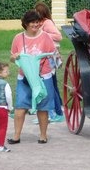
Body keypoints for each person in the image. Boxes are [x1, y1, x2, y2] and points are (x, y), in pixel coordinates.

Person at [8, 10, 56, 145]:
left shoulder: (46, 37)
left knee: (43, 107)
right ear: (25, 24)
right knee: (20, 107)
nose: (35, 25)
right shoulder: (18, 38)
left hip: (43, 77)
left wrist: (54, 62)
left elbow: (53, 55)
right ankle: (16, 136)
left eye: (37, 22)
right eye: (32, 23)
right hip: (24, 78)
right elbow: (12, 58)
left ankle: (43, 135)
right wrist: (15, 57)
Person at [35, 1, 64, 123]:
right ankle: (57, 111)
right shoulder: (42, 23)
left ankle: (54, 113)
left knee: (49, 85)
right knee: (51, 85)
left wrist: (43, 34)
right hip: (45, 57)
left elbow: (58, 36)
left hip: (50, 57)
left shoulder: (46, 23)